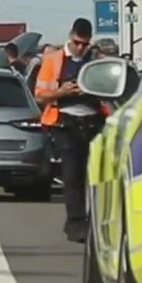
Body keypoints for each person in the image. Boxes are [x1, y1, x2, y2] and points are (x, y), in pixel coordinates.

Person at [34, 18, 103, 243]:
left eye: (85, 44)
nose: (80, 48)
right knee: (72, 174)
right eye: (77, 42)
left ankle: (93, 219)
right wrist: (62, 92)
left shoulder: (96, 61)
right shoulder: (53, 61)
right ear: (70, 36)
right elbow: (40, 95)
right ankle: (76, 222)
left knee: (94, 175)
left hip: (93, 123)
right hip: (65, 123)